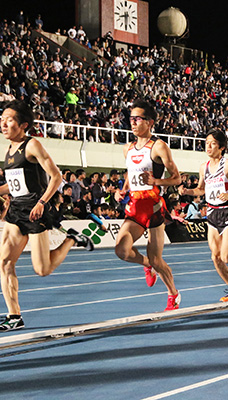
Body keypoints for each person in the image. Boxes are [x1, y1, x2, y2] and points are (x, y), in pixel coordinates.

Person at [0, 101, 92, 332]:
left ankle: (71, 238)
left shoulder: (33, 145)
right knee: (4, 263)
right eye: (2, 117)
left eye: (9, 118)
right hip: (15, 213)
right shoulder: (9, 150)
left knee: (42, 270)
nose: (3, 122)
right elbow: (14, 185)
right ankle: (14, 316)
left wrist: (42, 202)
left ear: (23, 125)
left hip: (35, 212)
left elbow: (56, 177)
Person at [113, 99, 182, 311]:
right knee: (122, 250)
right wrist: (123, 188)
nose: (132, 123)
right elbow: (130, 172)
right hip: (135, 205)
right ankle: (147, 266)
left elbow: (177, 178)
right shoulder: (128, 149)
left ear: (150, 122)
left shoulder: (158, 146)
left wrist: (157, 182)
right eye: (131, 119)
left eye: (137, 119)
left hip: (153, 206)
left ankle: (173, 294)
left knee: (158, 258)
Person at [179, 128, 228, 301]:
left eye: (213, 143)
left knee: (227, 257)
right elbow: (201, 190)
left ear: (221, 147)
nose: (208, 146)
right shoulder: (203, 167)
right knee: (215, 257)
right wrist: (187, 191)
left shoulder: (227, 164)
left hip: (227, 212)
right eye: (206, 143)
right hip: (212, 214)